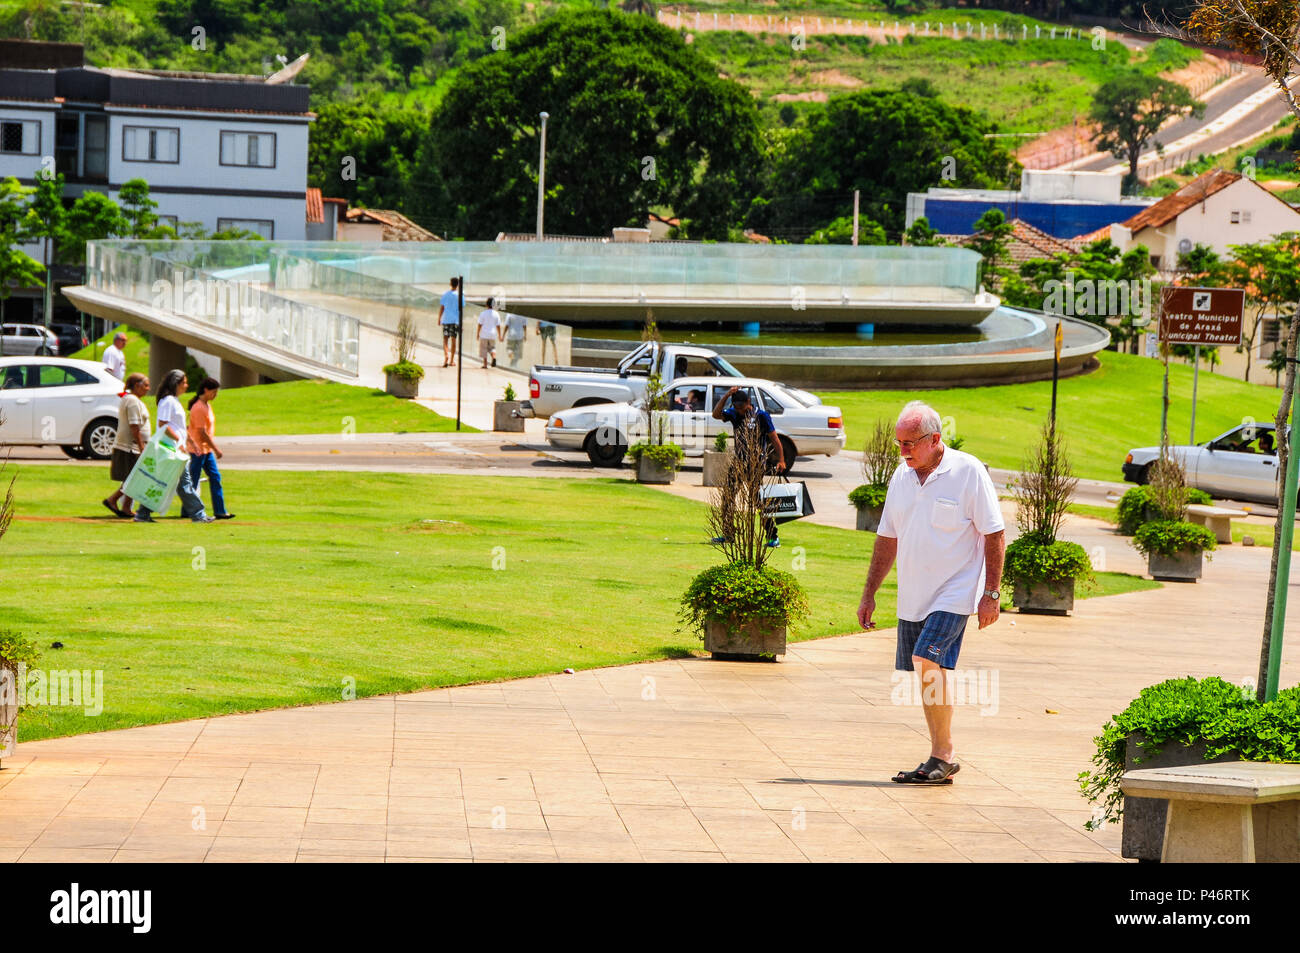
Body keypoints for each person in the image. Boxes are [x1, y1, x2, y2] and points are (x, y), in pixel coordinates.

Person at [856, 400, 1005, 785]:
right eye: (899, 442)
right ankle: (942, 758)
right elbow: (886, 539)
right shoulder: (900, 478)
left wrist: (991, 592)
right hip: (914, 595)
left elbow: (994, 533)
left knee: (926, 658)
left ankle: (943, 754)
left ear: (935, 439)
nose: (903, 450)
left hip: (956, 592)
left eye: (911, 442)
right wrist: (869, 593)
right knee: (926, 670)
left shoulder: (967, 471)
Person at [134, 369, 214, 524]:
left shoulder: (174, 401)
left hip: (175, 448)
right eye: (184, 382)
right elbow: (163, 425)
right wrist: (178, 442)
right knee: (183, 484)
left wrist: (190, 442)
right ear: (176, 383)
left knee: (164, 482)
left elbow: (180, 426)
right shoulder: (168, 401)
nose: (186, 385)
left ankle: (142, 514)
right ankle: (198, 515)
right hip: (170, 449)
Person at [710, 385, 785, 548]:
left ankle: (773, 536)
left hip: (755, 464)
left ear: (748, 402)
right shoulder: (734, 414)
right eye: (736, 407)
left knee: (757, 501)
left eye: (742, 407)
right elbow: (716, 414)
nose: (740, 410)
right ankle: (728, 533)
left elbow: (774, 439)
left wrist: (781, 460)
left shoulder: (761, 416)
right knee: (727, 498)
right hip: (738, 462)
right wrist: (726, 395)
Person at [103, 372, 150, 518]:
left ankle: (125, 507)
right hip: (130, 447)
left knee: (132, 478)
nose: (148, 388)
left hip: (132, 446)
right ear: (137, 385)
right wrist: (142, 447)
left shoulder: (130, 399)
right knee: (134, 478)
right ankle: (113, 499)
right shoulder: (132, 401)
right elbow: (134, 426)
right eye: (146, 385)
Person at [187, 377, 234, 520]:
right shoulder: (199, 407)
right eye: (214, 392)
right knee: (193, 481)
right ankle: (188, 510)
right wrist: (216, 449)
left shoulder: (206, 405)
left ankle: (220, 511)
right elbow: (202, 432)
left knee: (215, 477)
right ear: (206, 390)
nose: (216, 395)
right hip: (198, 450)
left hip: (206, 450)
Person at [437, 277, 461, 367]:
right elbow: (461, 309)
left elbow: (442, 308)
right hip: (455, 320)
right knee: (454, 340)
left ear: (450, 284)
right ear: (458, 285)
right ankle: (451, 360)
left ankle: (446, 355)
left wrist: (439, 318)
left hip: (446, 319)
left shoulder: (445, 294)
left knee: (445, 339)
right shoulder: (459, 295)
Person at [477, 297, 501, 369]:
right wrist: (499, 335)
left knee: (484, 349)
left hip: (484, 334)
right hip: (492, 334)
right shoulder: (496, 314)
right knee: (492, 348)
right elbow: (498, 325)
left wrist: (478, 334)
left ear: (486, 304)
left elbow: (480, 324)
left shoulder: (483, 313)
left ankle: (485, 365)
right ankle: (493, 357)